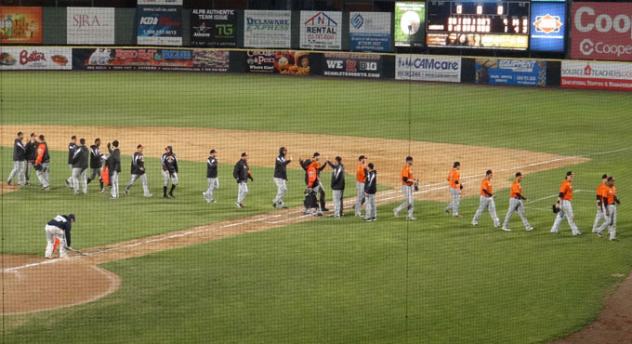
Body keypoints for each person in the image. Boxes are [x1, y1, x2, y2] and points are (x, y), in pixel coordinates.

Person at [551, 171, 581, 236]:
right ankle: (575, 231)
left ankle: (553, 229)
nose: (572, 177)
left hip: (565, 202)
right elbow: (561, 194)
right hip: (565, 202)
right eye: (571, 176)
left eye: (573, 176)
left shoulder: (568, 183)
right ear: (567, 176)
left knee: (560, 216)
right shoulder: (565, 184)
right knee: (570, 216)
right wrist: (557, 203)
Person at [393, 156, 417, 220]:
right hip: (406, 187)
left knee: (409, 202)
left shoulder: (409, 168)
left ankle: (397, 210)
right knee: (410, 202)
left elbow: (410, 177)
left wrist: (414, 180)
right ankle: (409, 215)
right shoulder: (406, 168)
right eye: (411, 161)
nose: (412, 162)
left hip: (409, 187)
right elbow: (405, 179)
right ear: (408, 161)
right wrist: (413, 181)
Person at [595, 176, 619, 241]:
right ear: (609, 181)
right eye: (613, 181)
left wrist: (617, 201)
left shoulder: (613, 187)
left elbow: (614, 196)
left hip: (614, 206)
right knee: (608, 221)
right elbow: (604, 200)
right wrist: (606, 210)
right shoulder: (605, 189)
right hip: (608, 206)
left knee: (613, 222)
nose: (614, 182)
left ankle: (612, 237)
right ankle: (598, 230)